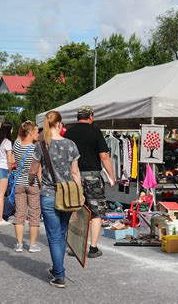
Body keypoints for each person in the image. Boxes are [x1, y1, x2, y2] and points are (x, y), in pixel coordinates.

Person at [29, 111, 81, 288]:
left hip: (49, 195)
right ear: (59, 124)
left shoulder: (42, 145)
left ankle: (59, 274)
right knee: (61, 234)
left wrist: (32, 182)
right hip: (68, 195)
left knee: (53, 236)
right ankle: (58, 269)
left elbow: (33, 169)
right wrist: (79, 193)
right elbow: (75, 172)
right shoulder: (71, 144)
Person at [65, 105, 116, 258]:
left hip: (73, 176)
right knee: (96, 211)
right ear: (91, 116)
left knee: (76, 209)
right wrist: (111, 175)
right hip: (93, 176)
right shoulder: (95, 131)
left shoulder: (69, 132)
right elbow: (104, 156)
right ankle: (93, 248)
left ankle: (75, 246)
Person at [13, 120, 41, 253]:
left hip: (19, 183)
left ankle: (19, 244)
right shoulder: (37, 148)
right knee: (34, 214)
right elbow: (38, 169)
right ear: (30, 132)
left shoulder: (17, 145)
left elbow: (19, 136)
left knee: (19, 213)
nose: (38, 133)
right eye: (36, 131)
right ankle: (33, 244)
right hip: (32, 183)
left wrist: (23, 125)